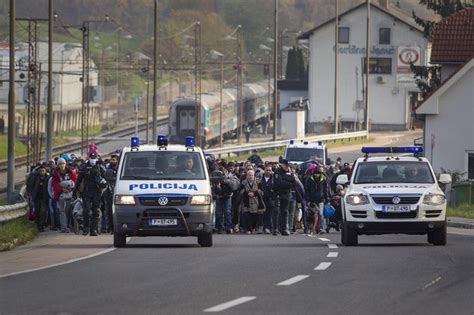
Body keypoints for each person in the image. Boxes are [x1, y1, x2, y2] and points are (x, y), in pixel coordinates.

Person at [75, 152, 107, 236]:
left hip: (97, 192)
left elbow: (106, 179)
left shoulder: (100, 167)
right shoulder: (84, 167)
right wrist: (75, 191)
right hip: (87, 192)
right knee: (86, 210)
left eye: (94, 158)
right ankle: (86, 228)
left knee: (96, 211)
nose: (93, 160)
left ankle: (94, 229)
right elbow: (78, 180)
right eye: (91, 158)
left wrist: (103, 187)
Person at [52, 157, 77, 233]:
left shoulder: (70, 172)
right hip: (61, 194)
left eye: (63, 163)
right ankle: (64, 227)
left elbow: (74, 180)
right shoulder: (55, 173)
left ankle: (70, 225)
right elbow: (54, 184)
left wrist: (71, 188)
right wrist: (61, 189)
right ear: (58, 165)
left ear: (65, 164)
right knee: (62, 211)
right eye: (60, 164)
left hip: (70, 193)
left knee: (69, 210)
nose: (61, 165)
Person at [212, 165, 240, 234]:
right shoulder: (216, 178)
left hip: (228, 196)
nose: (222, 174)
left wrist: (225, 181)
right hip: (219, 196)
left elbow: (235, 186)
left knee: (227, 212)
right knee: (218, 213)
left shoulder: (231, 176)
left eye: (223, 173)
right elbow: (213, 189)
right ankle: (219, 227)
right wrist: (217, 187)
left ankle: (228, 227)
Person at [272, 157, 296, 236]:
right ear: (281, 164)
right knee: (277, 211)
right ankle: (275, 229)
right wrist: (288, 183)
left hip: (286, 194)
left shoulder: (289, 171)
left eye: (287, 165)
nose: (286, 166)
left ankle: (283, 229)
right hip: (278, 194)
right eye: (285, 165)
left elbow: (293, 182)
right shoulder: (277, 172)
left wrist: (286, 182)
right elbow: (279, 183)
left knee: (285, 212)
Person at [305, 167, 329, 234]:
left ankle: (321, 228)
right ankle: (311, 228)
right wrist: (308, 200)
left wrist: (327, 199)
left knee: (321, 214)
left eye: (318, 174)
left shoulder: (323, 180)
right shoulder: (309, 179)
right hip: (312, 200)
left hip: (321, 199)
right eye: (316, 173)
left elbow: (325, 190)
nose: (317, 175)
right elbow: (307, 190)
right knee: (311, 214)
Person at [31, 165, 50, 232]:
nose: (41, 172)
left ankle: (41, 226)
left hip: (44, 198)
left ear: (45, 171)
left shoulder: (47, 178)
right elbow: (31, 185)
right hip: (36, 198)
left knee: (43, 212)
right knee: (37, 212)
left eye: (43, 171)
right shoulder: (36, 178)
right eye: (40, 171)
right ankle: (38, 225)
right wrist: (31, 195)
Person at [259, 165, 275, 234]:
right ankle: (261, 227)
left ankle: (268, 227)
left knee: (269, 214)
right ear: (264, 171)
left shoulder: (273, 179)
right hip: (262, 199)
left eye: (269, 170)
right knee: (261, 214)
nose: (268, 172)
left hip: (270, 199)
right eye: (267, 170)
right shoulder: (260, 179)